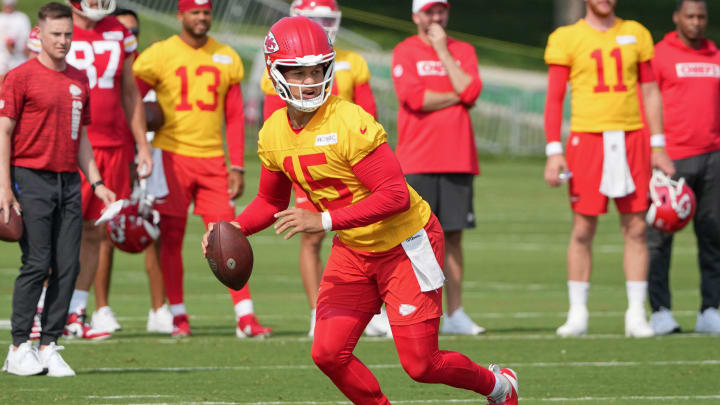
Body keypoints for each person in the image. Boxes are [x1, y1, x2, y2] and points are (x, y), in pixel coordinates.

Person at [202, 16, 518, 404]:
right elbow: (270, 202)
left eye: (317, 70)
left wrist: (323, 220)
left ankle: (499, 385)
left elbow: (395, 195)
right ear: (275, 72)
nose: (309, 80)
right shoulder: (272, 133)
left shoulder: (350, 121)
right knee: (328, 353)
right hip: (354, 250)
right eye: (297, 72)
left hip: (404, 243)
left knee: (422, 364)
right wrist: (231, 228)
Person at [133, 0, 271, 338]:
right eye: (194, 12)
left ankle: (245, 317)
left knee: (228, 236)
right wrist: (140, 143)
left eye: (206, 12)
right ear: (181, 15)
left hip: (212, 159)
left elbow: (235, 116)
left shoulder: (227, 56)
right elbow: (131, 98)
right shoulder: (159, 53)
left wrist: (237, 163)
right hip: (170, 156)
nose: (201, 18)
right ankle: (178, 315)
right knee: (172, 237)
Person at [543, 0, 676, 337]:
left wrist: (658, 146)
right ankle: (578, 313)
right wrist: (553, 151)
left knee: (635, 228)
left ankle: (635, 313)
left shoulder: (636, 33)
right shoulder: (566, 37)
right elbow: (555, 97)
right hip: (587, 139)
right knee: (583, 229)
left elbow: (649, 91)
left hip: (631, 138)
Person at [0, 2, 115, 376]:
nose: (63, 41)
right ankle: (19, 348)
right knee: (36, 263)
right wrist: (4, 187)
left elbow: (81, 138)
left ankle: (49, 345)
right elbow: (3, 132)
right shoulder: (20, 77)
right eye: (56, 35)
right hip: (29, 176)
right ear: (40, 35)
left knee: (68, 264)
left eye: (68, 34)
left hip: (69, 180)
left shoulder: (80, 79)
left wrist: (97, 183)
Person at [260, 0, 386, 338]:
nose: (324, 26)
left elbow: (368, 111)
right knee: (312, 236)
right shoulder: (282, 65)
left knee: (366, 228)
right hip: (307, 159)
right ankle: (319, 310)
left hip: (348, 155)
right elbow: (278, 122)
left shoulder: (350, 61)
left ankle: (366, 308)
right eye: (316, 19)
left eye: (329, 19)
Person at [46, 0, 153, 339]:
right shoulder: (55, 30)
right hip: (68, 145)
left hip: (114, 146)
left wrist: (143, 144)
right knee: (58, 230)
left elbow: (130, 93)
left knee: (96, 231)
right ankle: (45, 311)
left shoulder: (120, 33)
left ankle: (76, 312)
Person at [391, 0, 485, 335]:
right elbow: (415, 98)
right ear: (416, 15)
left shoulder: (462, 50)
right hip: (417, 158)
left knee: (454, 236)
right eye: (430, 11)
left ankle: (456, 312)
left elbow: (473, 91)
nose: (436, 17)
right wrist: (457, 93)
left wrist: (444, 52)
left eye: (441, 11)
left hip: (458, 157)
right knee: (413, 238)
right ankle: (410, 308)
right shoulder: (404, 51)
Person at [89, 6, 173, 334]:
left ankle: (158, 309)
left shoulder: (148, 68)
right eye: (122, 32)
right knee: (102, 234)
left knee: (154, 229)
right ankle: (101, 309)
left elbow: (157, 110)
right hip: (109, 157)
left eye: (133, 33)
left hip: (145, 157)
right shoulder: (101, 70)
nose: (128, 39)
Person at [647, 0, 720, 335]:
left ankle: (710, 310)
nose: (695, 22)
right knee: (660, 236)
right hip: (671, 157)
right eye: (689, 16)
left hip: (713, 156)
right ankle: (660, 310)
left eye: (701, 17)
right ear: (677, 17)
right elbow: (647, 101)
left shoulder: (715, 55)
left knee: (713, 234)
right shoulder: (659, 55)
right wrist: (654, 148)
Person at [0, 0, 31, 69]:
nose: (8, 7)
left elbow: (26, 39)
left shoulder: (22, 18)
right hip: (2, 56)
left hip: (18, 57)